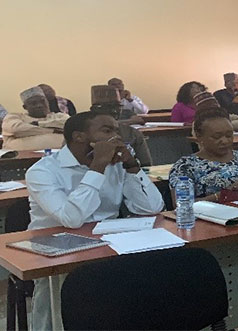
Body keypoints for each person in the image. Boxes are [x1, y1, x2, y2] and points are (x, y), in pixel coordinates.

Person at [26, 111, 164, 330]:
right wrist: (97, 167)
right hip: (57, 253)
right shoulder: (42, 171)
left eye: (117, 131)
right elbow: (71, 219)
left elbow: (152, 207)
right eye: (107, 131)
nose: (116, 137)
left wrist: (131, 165)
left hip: (108, 246)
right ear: (79, 137)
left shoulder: (116, 165)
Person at [169, 108, 238, 201]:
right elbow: (182, 204)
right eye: (217, 137)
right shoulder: (185, 166)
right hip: (210, 214)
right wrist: (225, 194)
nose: (225, 141)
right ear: (199, 136)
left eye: (229, 135)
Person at [90, 85, 153, 166]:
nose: (114, 110)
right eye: (108, 106)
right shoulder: (85, 133)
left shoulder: (132, 133)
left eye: (118, 106)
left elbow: (146, 165)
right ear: (94, 109)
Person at [2, 86, 68, 150]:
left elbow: (69, 125)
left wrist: (38, 124)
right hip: (18, 159)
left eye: (43, 101)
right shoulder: (14, 117)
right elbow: (16, 129)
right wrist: (53, 130)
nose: (39, 105)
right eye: (34, 103)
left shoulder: (60, 116)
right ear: (25, 107)